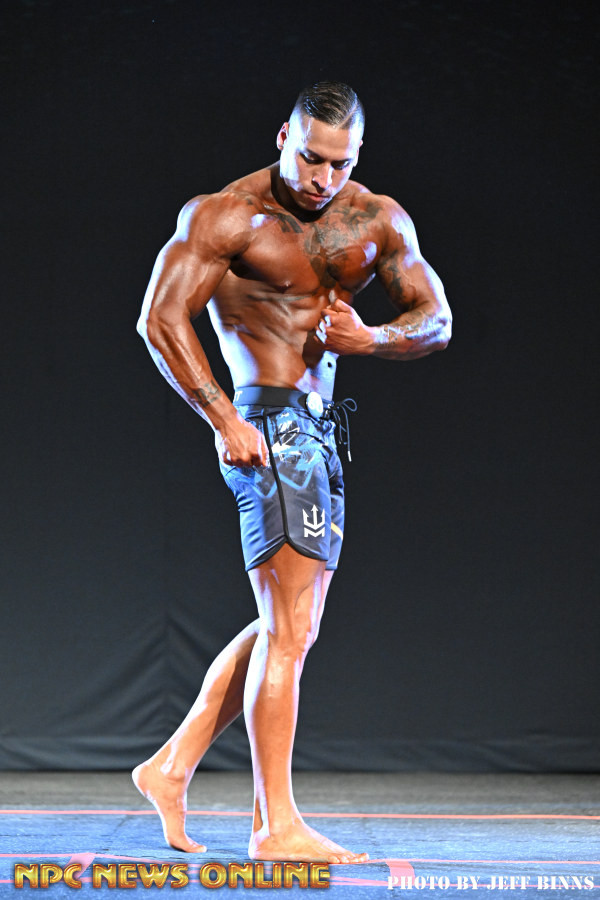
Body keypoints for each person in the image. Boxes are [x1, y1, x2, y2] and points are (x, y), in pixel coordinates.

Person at [133, 81, 451, 864]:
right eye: (311, 157)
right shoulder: (226, 215)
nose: (322, 177)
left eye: (340, 163)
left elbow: (436, 319)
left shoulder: (376, 218)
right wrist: (224, 419)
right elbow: (159, 318)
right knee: (289, 630)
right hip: (266, 426)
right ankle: (274, 826)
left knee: (291, 625)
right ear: (284, 136)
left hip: (321, 429)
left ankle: (171, 766)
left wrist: (373, 340)